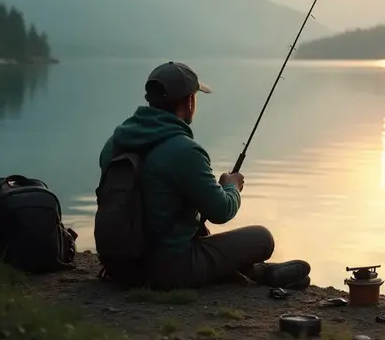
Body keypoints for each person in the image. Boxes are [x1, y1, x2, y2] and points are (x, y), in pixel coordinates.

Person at [98, 61, 311, 290]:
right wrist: (231, 187)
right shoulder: (185, 151)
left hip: (120, 264)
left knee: (201, 234)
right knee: (263, 238)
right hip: (169, 269)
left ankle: (253, 272)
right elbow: (221, 211)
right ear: (189, 101)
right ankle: (253, 272)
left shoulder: (115, 143)